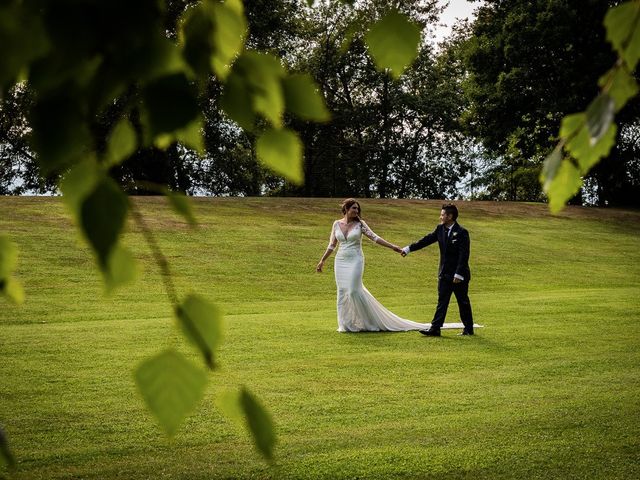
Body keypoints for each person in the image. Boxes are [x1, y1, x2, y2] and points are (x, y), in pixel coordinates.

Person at [316, 198, 432, 332]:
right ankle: (346, 324)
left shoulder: (360, 224)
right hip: (340, 261)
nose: (356, 211)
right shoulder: (336, 224)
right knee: (342, 292)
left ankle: (369, 322)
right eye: (354, 208)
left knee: (354, 291)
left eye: (357, 208)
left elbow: (375, 238)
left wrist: (393, 246)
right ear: (346, 209)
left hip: (356, 260)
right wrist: (322, 260)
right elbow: (332, 245)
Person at [401, 203, 475, 336]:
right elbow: (426, 240)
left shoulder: (462, 232)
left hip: (459, 275)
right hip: (444, 274)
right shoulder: (440, 229)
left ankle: (468, 328)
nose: (440, 217)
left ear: (450, 216)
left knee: (462, 301)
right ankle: (435, 328)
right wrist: (408, 249)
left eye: (442, 215)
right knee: (442, 301)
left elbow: (464, 255)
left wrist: (458, 273)